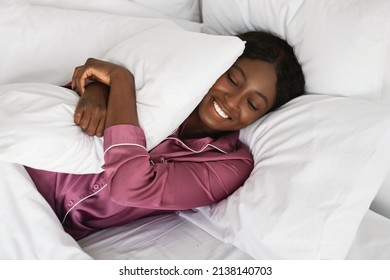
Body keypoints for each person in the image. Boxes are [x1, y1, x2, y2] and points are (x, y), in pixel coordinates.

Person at [25, 31, 305, 240]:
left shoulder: (229, 167)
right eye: (232, 79)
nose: (232, 101)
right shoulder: (164, 76)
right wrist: (99, 88)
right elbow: (64, 99)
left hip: (39, 222)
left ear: (261, 116)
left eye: (252, 104)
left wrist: (121, 80)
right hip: (20, 159)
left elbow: (130, 186)